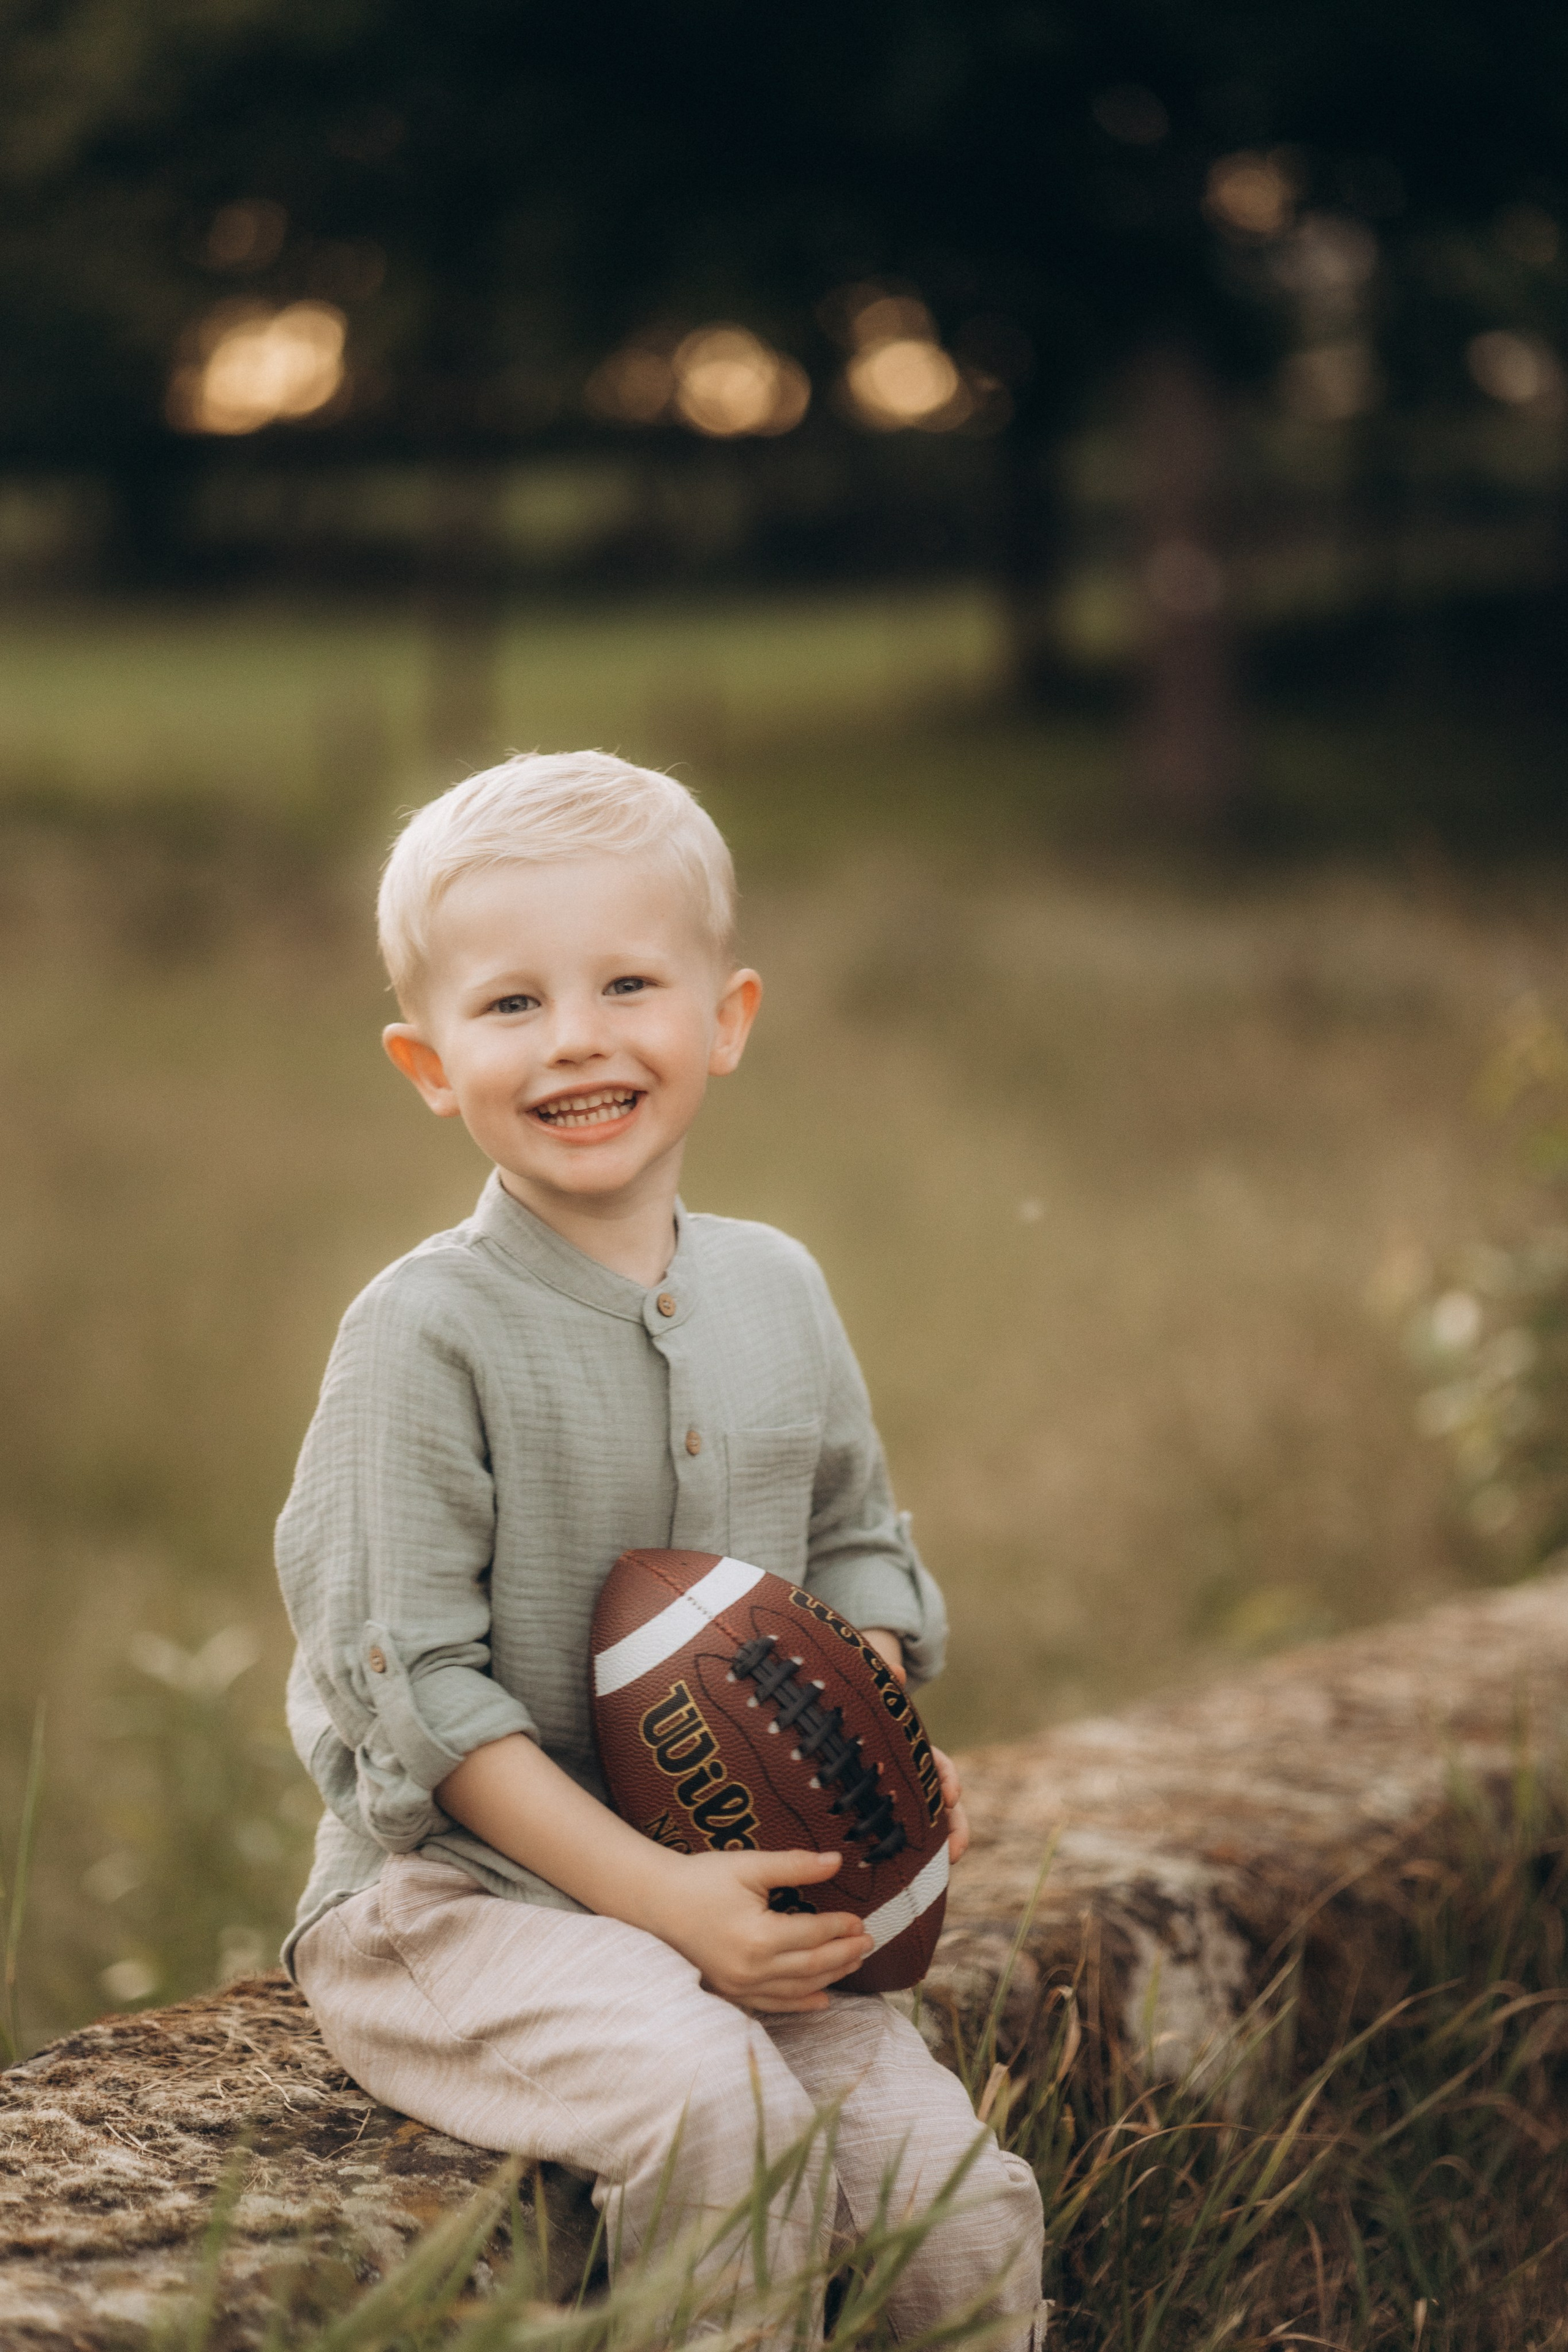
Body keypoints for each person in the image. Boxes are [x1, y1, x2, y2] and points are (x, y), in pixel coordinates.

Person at [276, 750, 1047, 2345]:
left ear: (726, 1019)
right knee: (721, 2118)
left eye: (629, 982)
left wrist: (868, 1747)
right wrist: (654, 1902)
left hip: (727, 1897)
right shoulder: (423, 1337)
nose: (575, 1037)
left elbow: (854, 1554)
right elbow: (417, 1691)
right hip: (461, 1908)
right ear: (427, 1062)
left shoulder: (781, 1289)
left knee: (959, 2210)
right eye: (508, 1006)